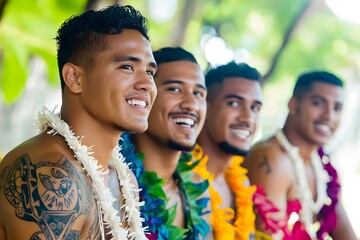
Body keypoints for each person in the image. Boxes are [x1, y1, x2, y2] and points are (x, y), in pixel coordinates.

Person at [0, 5, 157, 240]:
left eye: (150, 72)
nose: (147, 83)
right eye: (127, 66)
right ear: (74, 78)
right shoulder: (53, 172)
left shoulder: (125, 181)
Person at [244, 71, 357, 240]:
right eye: (318, 103)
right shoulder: (272, 159)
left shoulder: (321, 167)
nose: (328, 115)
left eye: (337, 108)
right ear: (294, 105)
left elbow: (345, 231)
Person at [121, 47, 212, 239]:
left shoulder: (198, 191)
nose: (191, 104)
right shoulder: (114, 183)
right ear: (146, 95)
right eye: (175, 89)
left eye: (198, 94)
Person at [193, 61, 263, 239]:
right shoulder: (182, 179)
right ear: (204, 105)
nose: (248, 118)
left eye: (255, 108)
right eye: (233, 103)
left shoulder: (242, 185)